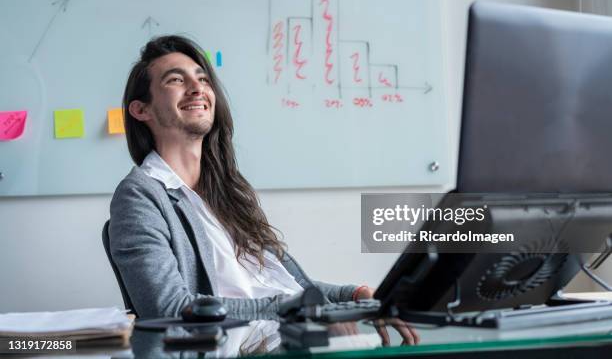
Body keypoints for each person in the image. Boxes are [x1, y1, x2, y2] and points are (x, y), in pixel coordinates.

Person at [109, 35, 417, 344]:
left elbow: (288, 285)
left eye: (202, 78)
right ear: (141, 110)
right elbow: (168, 309)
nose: (197, 87)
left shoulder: (227, 191)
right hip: (247, 347)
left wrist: (353, 295)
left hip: (292, 338)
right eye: (176, 79)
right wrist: (295, 311)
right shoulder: (140, 196)